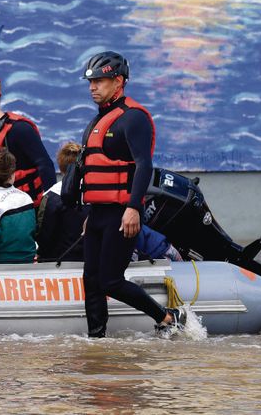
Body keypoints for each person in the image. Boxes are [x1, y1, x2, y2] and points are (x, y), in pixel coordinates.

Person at [76, 51, 184, 338]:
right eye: (90, 82)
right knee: (91, 280)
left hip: (121, 213)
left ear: (119, 81)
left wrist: (133, 207)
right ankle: (96, 338)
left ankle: (166, 316)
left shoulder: (133, 118)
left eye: (99, 81)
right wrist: (90, 214)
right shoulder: (99, 120)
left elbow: (143, 164)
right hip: (98, 213)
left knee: (110, 280)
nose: (92, 87)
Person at [39, 142, 181, 263]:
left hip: (64, 263)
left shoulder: (50, 197)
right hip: (102, 261)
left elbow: (45, 240)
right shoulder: (104, 193)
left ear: (61, 166)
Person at [36, 142, 87, 262]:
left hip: (60, 261)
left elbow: (44, 236)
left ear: (60, 166)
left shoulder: (51, 196)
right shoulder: (97, 193)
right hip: (93, 258)